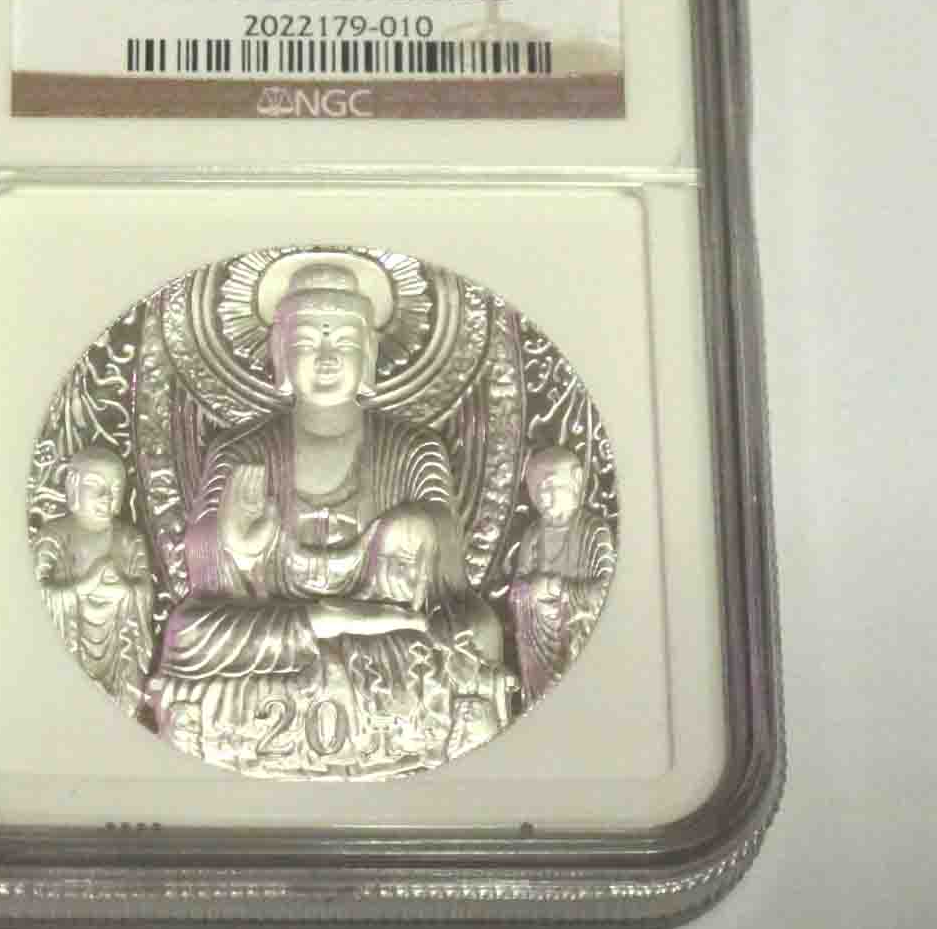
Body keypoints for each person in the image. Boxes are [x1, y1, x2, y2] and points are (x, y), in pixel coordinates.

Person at [151, 261, 505, 775]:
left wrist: (414, 533)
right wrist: (237, 546)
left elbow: (448, 556)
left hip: (386, 615)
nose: (325, 358)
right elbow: (204, 570)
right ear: (278, 354)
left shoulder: (415, 448)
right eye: (305, 343)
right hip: (279, 619)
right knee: (188, 632)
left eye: (342, 341)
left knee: (475, 631)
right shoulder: (240, 449)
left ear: (369, 354)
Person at [34, 446, 156, 713]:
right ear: (73, 486)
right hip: (71, 641)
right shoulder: (53, 536)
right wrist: (83, 587)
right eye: (94, 485)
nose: (106, 496)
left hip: (119, 651)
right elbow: (36, 595)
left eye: (115, 488)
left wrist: (125, 591)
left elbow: (145, 590)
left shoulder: (130, 539)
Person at [508, 445, 616, 706]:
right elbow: (516, 591)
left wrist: (557, 589)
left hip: (579, 635)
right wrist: (530, 593)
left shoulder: (594, 531)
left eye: (550, 486)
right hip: (540, 644)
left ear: (576, 480)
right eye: (537, 490)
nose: (544, 496)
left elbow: (605, 592)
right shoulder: (533, 535)